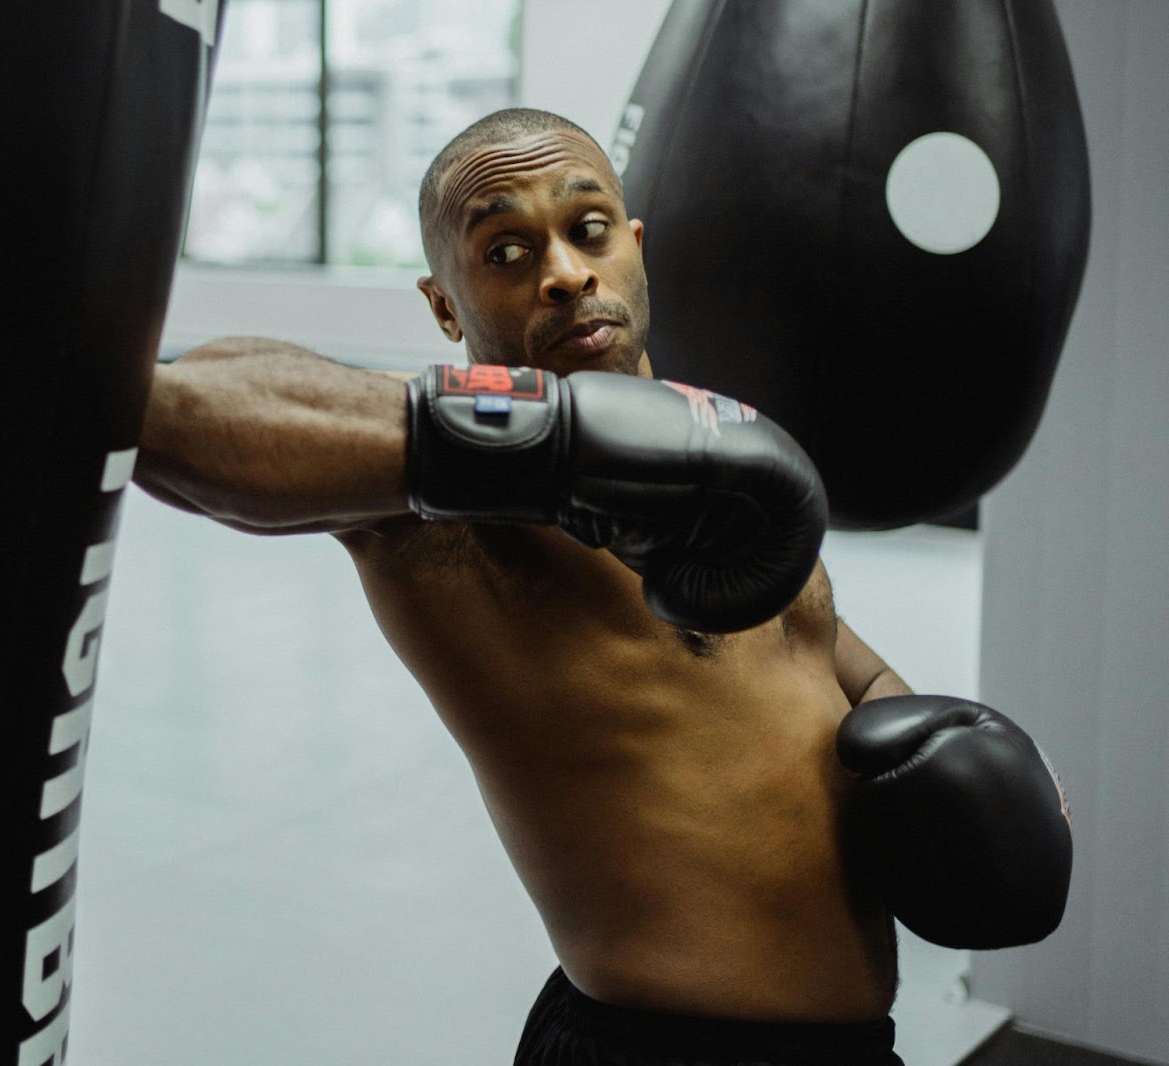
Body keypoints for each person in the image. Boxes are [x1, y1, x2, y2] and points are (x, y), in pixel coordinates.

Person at [133, 108, 1068, 1065]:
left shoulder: (722, 452)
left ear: (634, 248)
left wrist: (934, 753)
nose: (566, 272)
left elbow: (829, 656)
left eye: (587, 231)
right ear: (445, 305)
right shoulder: (451, 523)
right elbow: (173, 416)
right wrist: (541, 445)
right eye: (504, 250)